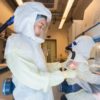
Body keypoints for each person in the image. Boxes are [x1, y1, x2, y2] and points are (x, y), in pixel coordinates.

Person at [4, 2, 76, 100]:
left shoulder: (34, 44)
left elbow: (42, 67)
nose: (43, 31)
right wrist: (64, 74)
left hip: (43, 95)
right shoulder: (16, 44)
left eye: (44, 27)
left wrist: (61, 65)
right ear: (28, 22)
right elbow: (34, 79)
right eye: (40, 26)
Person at [60, 35, 100, 100]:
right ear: (86, 47)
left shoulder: (75, 56)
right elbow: (90, 78)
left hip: (76, 91)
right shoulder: (78, 61)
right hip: (76, 95)